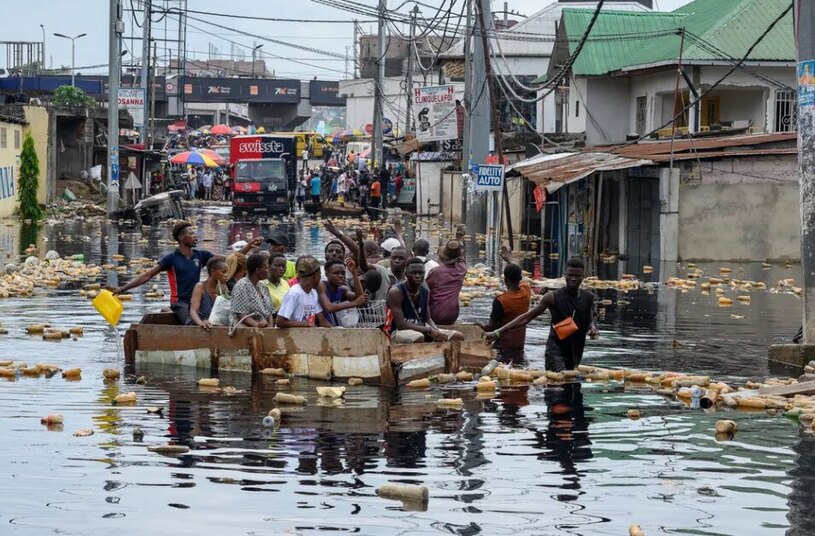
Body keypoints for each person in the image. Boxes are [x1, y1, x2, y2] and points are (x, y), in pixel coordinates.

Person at [113, 222, 260, 324]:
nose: (195, 236)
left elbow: (231, 259)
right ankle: (168, 309)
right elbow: (147, 275)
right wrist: (122, 289)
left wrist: (248, 247)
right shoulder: (171, 258)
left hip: (198, 300)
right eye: (191, 233)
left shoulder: (200, 255)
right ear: (181, 238)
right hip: (180, 303)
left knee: (218, 318)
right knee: (191, 323)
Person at [486, 257, 598, 372]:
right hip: (555, 352)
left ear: (583, 277)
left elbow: (589, 321)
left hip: (576, 351)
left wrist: (592, 329)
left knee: (570, 385)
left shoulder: (588, 298)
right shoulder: (552, 297)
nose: (573, 279)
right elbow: (526, 317)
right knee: (560, 383)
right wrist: (498, 332)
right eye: (570, 275)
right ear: (565, 275)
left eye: (577, 276)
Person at [386, 257, 464, 344]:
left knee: (458, 336)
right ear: (406, 274)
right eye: (413, 273)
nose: (417, 276)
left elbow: (428, 318)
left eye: (420, 273)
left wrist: (437, 331)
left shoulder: (425, 291)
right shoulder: (396, 292)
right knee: (419, 337)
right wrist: (429, 330)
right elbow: (401, 325)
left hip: (422, 329)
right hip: (399, 332)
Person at [478, 247, 533, 359]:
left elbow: (491, 328)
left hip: (502, 346)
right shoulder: (526, 291)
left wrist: (480, 325)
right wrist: (510, 260)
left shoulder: (501, 300)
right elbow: (522, 277)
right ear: (520, 278)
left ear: (505, 280)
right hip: (519, 345)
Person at [276, 256, 332, 328]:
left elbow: (322, 321)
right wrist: (306, 324)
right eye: (320, 275)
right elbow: (280, 322)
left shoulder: (313, 293)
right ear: (315, 276)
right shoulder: (294, 293)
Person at [426, 240, 468, 325]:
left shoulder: (436, 272)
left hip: (434, 315)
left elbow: (424, 289)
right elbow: (462, 259)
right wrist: (459, 241)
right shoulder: (462, 270)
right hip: (452, 316)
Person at [231, 253, 276, 328]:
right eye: (266, 268)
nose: (269, 271)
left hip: (265, 329)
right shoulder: (242, 286)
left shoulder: (263, 287)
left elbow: (269, 313)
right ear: (257, 270)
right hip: (247, 331)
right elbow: (242, 315)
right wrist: (258, 325)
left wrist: (270, 329)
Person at [318, 258, 366, 327]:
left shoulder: (343, 289)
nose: (341, 276)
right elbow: (328, 307)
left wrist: (354, 273)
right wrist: (354, 303)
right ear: (326, 274)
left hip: (335, 326)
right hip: (321, 326)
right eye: (336, 273)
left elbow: (359, 297)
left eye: (343, 273)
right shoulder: (322, 285)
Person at [188, 257, 229, 330]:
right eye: (223, 272)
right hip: (197, 326)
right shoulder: (200, 287)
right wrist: (201, 323)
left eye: (227, 272)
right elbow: (193, 311)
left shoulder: (222, 289)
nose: (226, 275)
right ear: (212, 272)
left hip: (213, 325)